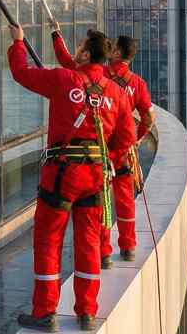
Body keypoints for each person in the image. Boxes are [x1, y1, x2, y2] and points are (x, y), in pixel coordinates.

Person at [7, 24, 136, 332]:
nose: (75, 51)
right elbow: (125, 138)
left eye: (79, 47)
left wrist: (18, 43)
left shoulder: (64, 79)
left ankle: (45, 311)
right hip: (94, 175)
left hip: (62, 173)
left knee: (49, 240)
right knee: (89, 244)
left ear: (87, 53)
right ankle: (86, 313)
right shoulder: (116, 93)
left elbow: (22, 73)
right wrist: (106, 158)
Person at [50, 24, 155, 266]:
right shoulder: (137, 83)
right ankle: (128, 247)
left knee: (102, 200)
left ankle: (105, 252)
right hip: (125, 150)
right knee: (125, 200)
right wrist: (137, 138)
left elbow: (68, 62)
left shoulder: (101, 75)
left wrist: (56, 35)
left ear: (116, 53)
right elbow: (148, 117)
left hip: (102, 149)